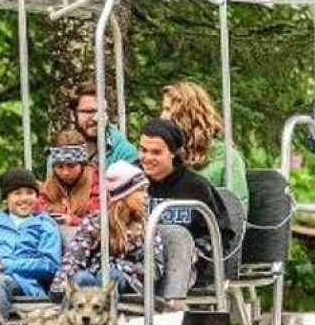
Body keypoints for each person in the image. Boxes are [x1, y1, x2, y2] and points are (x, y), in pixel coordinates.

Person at [139, 118, 235, 288]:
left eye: (156, 152)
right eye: (143, 150)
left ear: (173, 153)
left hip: (185, 269)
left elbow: (222, 234)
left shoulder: (195, 187)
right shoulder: (133, 181)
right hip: (141, 262)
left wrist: (197, 251)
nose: (147, 158)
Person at [0, 167, 62, 319]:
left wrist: (5, 266)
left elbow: (49, 265)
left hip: (24, 283)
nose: (24, 198)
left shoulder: (45, 224)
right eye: (17, 193)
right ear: (6, 199)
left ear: (37, 197)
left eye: (30, 193)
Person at [51, 160, 163, 295]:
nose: (146, 195)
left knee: (110, 275)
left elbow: (155, 268)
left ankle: (106, 312)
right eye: (140, 190)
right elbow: (74, 258)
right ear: (124, 194)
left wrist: (117, 266)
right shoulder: (95, 222)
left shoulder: (147, 224)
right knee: (80, 279)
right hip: (95, 278)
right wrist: (60, 285)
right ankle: (65, 313)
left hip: (132, 284)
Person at [161, 81, 249, 213]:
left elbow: (237, 212)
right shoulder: (164, 156)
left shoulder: (226, 159)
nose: (162, 117)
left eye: (167, 110)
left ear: (186, 115)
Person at [36, 130, 100, 227]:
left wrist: (72, 221)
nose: (65, 172)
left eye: (71, 166)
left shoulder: (97, 183)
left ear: (82, 165)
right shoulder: (48, 187)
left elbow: (99, 220)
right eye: (59, 167)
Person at [70, 80, 138, 167]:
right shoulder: (61, 150)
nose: (96, 118)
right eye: (89, 111)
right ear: (72, 115)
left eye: (102, 111)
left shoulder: (124, 152)